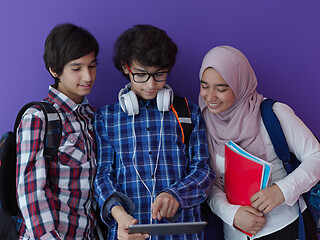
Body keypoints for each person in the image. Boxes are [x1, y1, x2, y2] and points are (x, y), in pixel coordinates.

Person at [94, 24, 213, 240]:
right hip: (128, 234)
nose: (151, 84)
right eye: (141, 75)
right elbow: (103, 175)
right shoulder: (106, 118)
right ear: (126, 67)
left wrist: (176, 195)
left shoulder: (189, 112)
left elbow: (203, 171)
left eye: (159, 75)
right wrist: (119, 215)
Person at [198, 45, 320, 240]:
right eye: (204, 86)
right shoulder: (202, 123)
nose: (210, 97)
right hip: (236, 233)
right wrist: (231, 214)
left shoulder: (273, 114)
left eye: (221, 88)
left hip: (288, 227)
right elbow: (207, 182)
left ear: (240, 84)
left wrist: (282, 190)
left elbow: (316, 156)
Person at [16, 23, 99, 239]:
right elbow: (31, 191)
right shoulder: (38, 117)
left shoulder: (92, 117)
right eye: (76, 68)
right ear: (54, 70)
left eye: (92, 65)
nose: (88, 76)